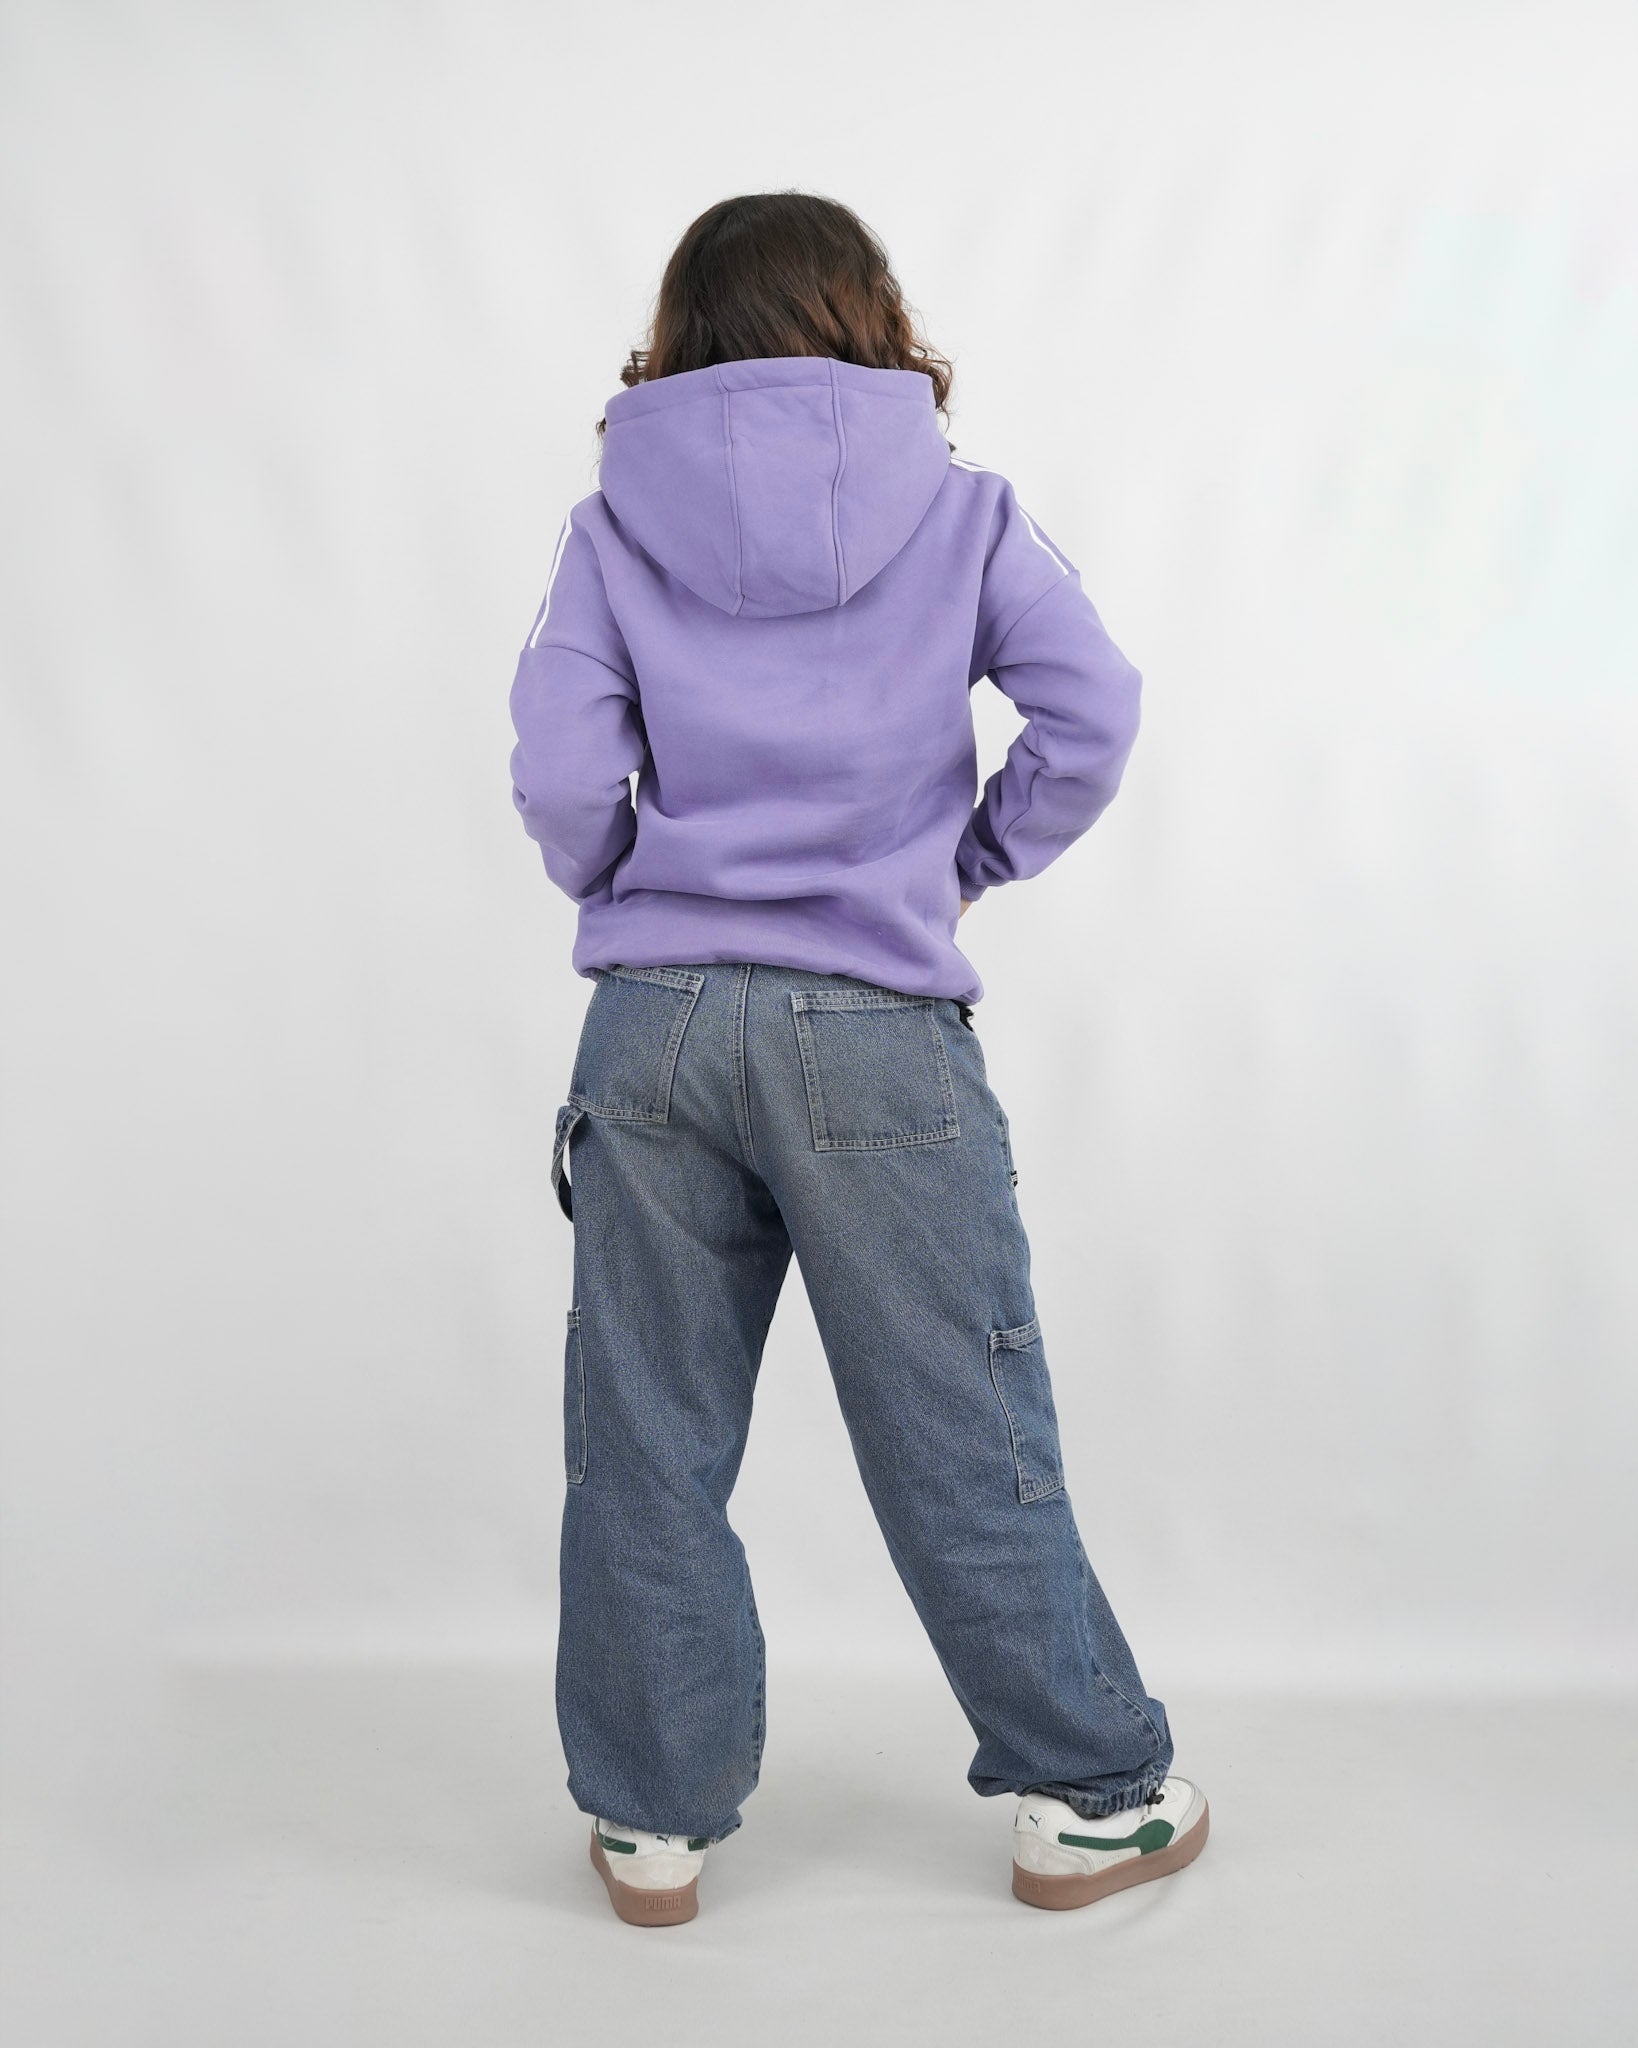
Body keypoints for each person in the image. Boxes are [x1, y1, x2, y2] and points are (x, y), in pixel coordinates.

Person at [507, 191, 1209, 1927]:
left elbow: (556, 768)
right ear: (868, 313)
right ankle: (1088, 1801)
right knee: (960, 1422)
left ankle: (650, 1824)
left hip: (654, 1026)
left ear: (677, 331)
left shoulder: (609, 526)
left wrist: (631, 887)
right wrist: (965, 861)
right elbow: (1094, 712)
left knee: (645, 1437)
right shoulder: (963, 513)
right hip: (877, 1031)